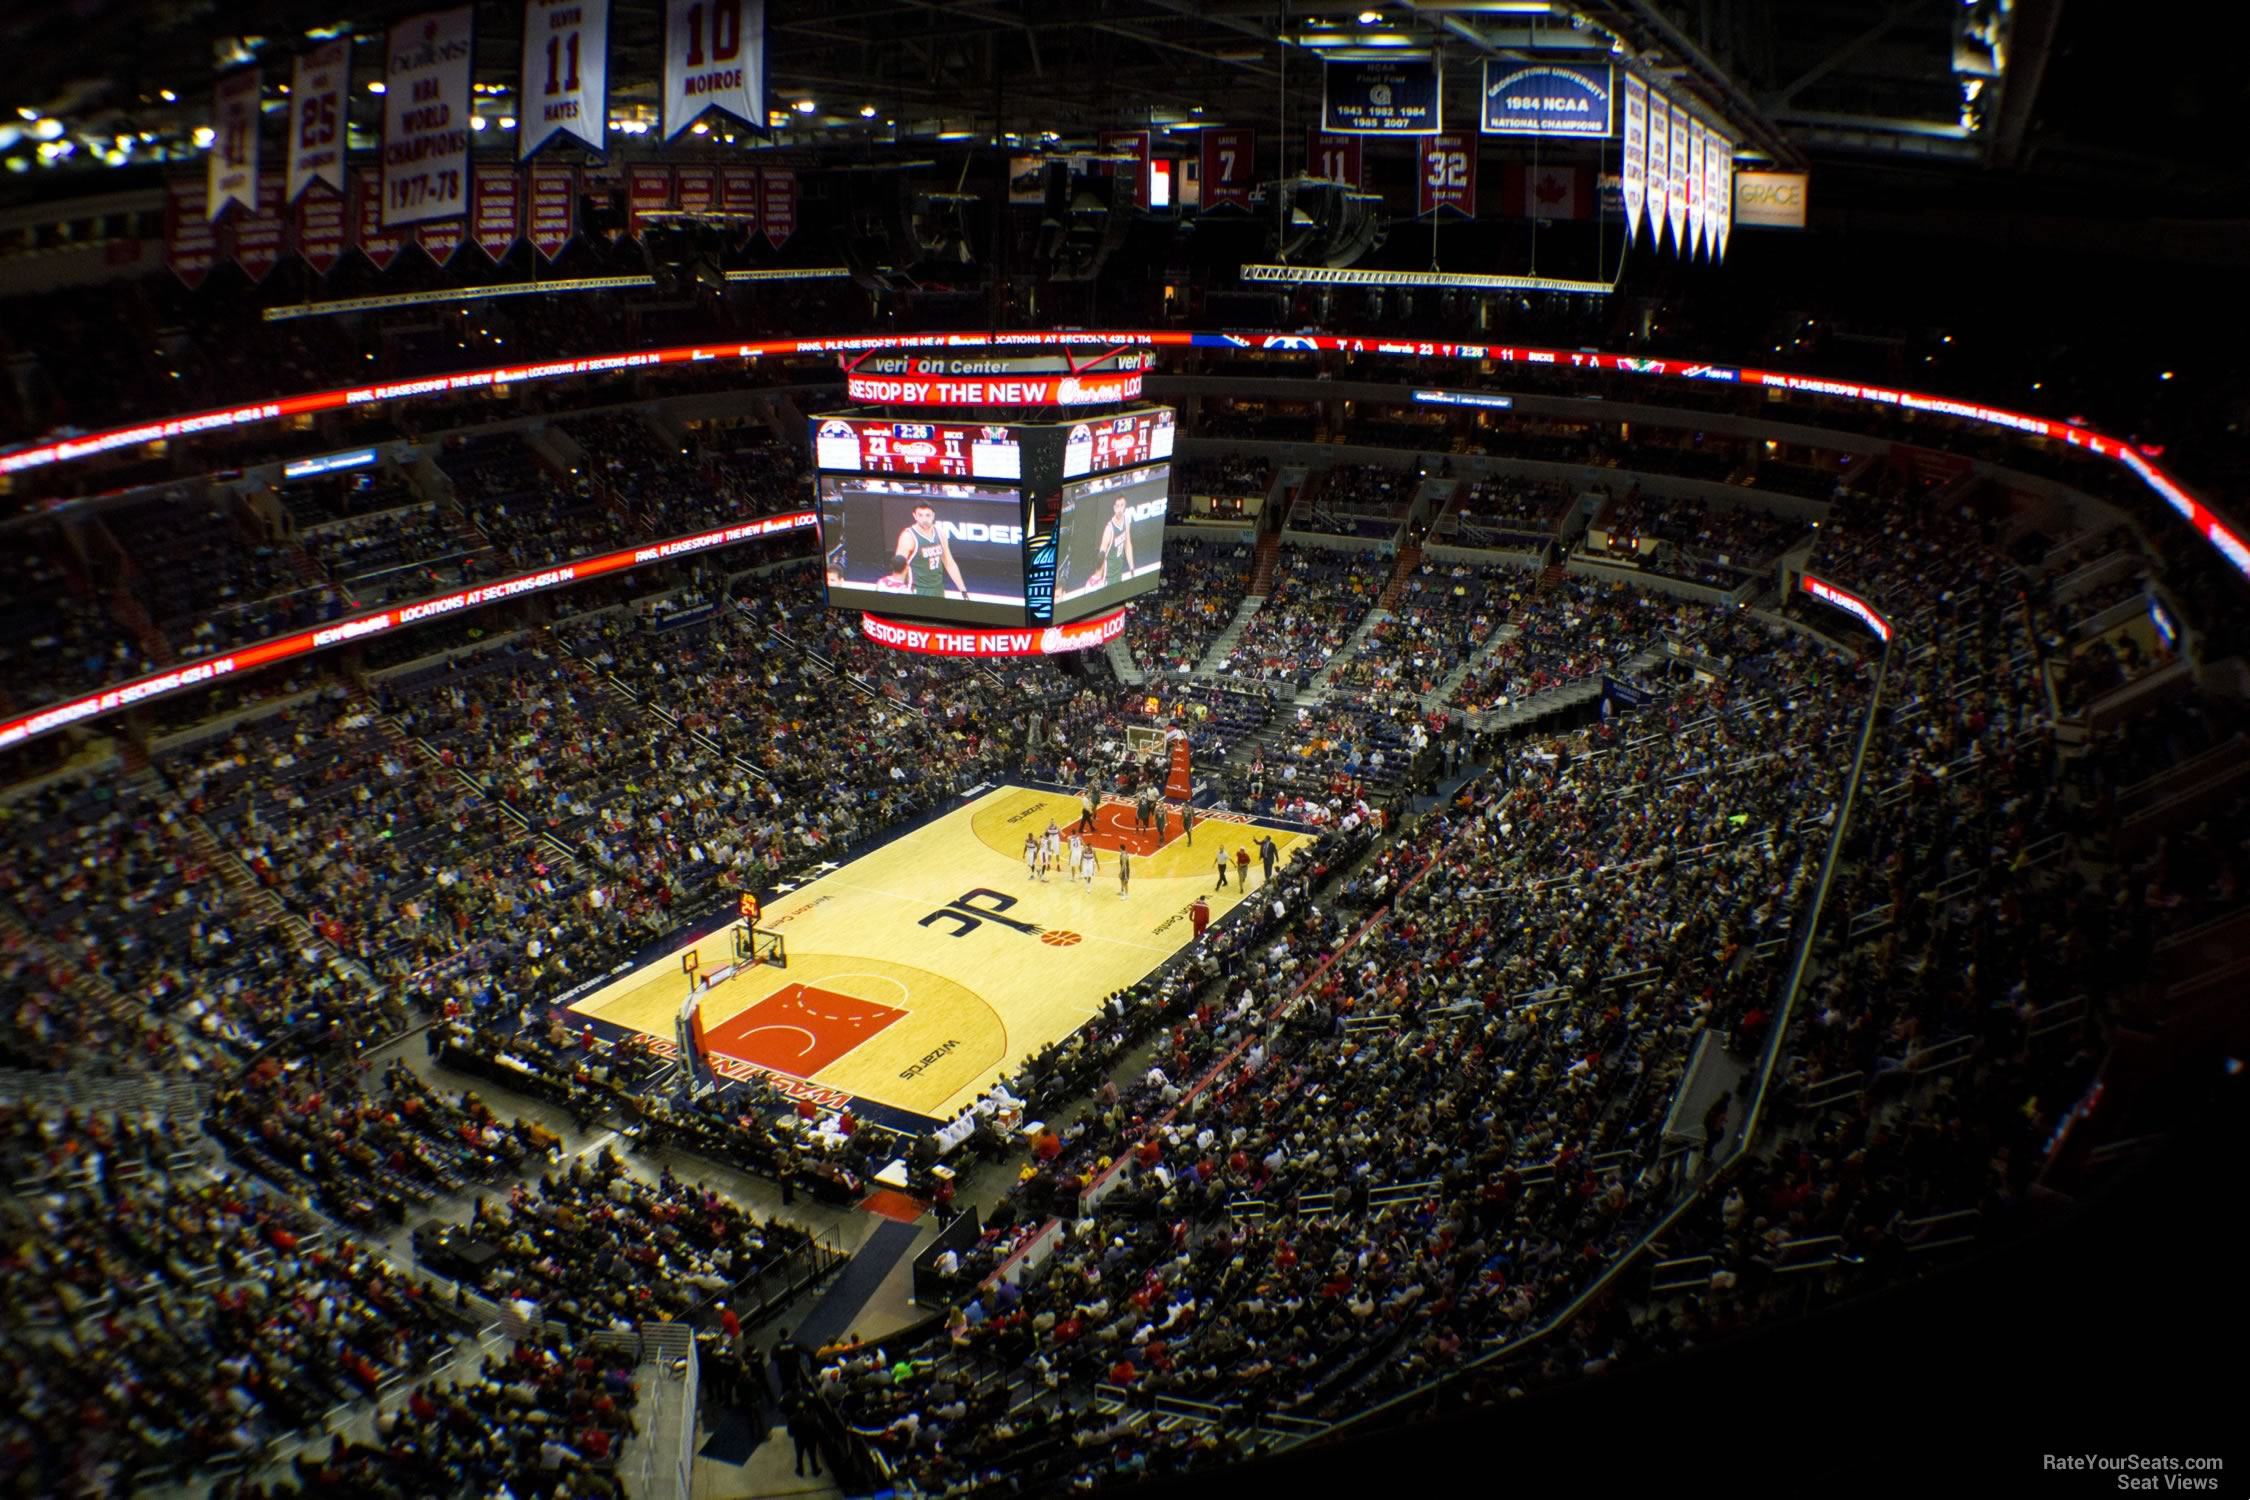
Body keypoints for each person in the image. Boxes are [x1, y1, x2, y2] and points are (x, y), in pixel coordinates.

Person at [885, 503, 968, 598]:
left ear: (933, 515)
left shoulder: (940, 533)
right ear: (914, 516)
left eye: (928, 515)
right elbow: (899, 567)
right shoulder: (908, 536)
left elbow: (949, 563)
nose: (924, 519)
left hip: (938, 588)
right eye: (920, 515)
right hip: (916, 589)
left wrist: (963, 590)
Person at [785, 1395, 823, 1478]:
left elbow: (790, 1432)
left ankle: (800, 1471)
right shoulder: (812, 1418)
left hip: (799, 1440)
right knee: (812, 1455)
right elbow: (817, 1429)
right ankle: (815, 1470)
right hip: (811, 1440)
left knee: (799, 1456)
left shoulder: (792, 1419)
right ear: (805, 1409)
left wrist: (794, 1435)